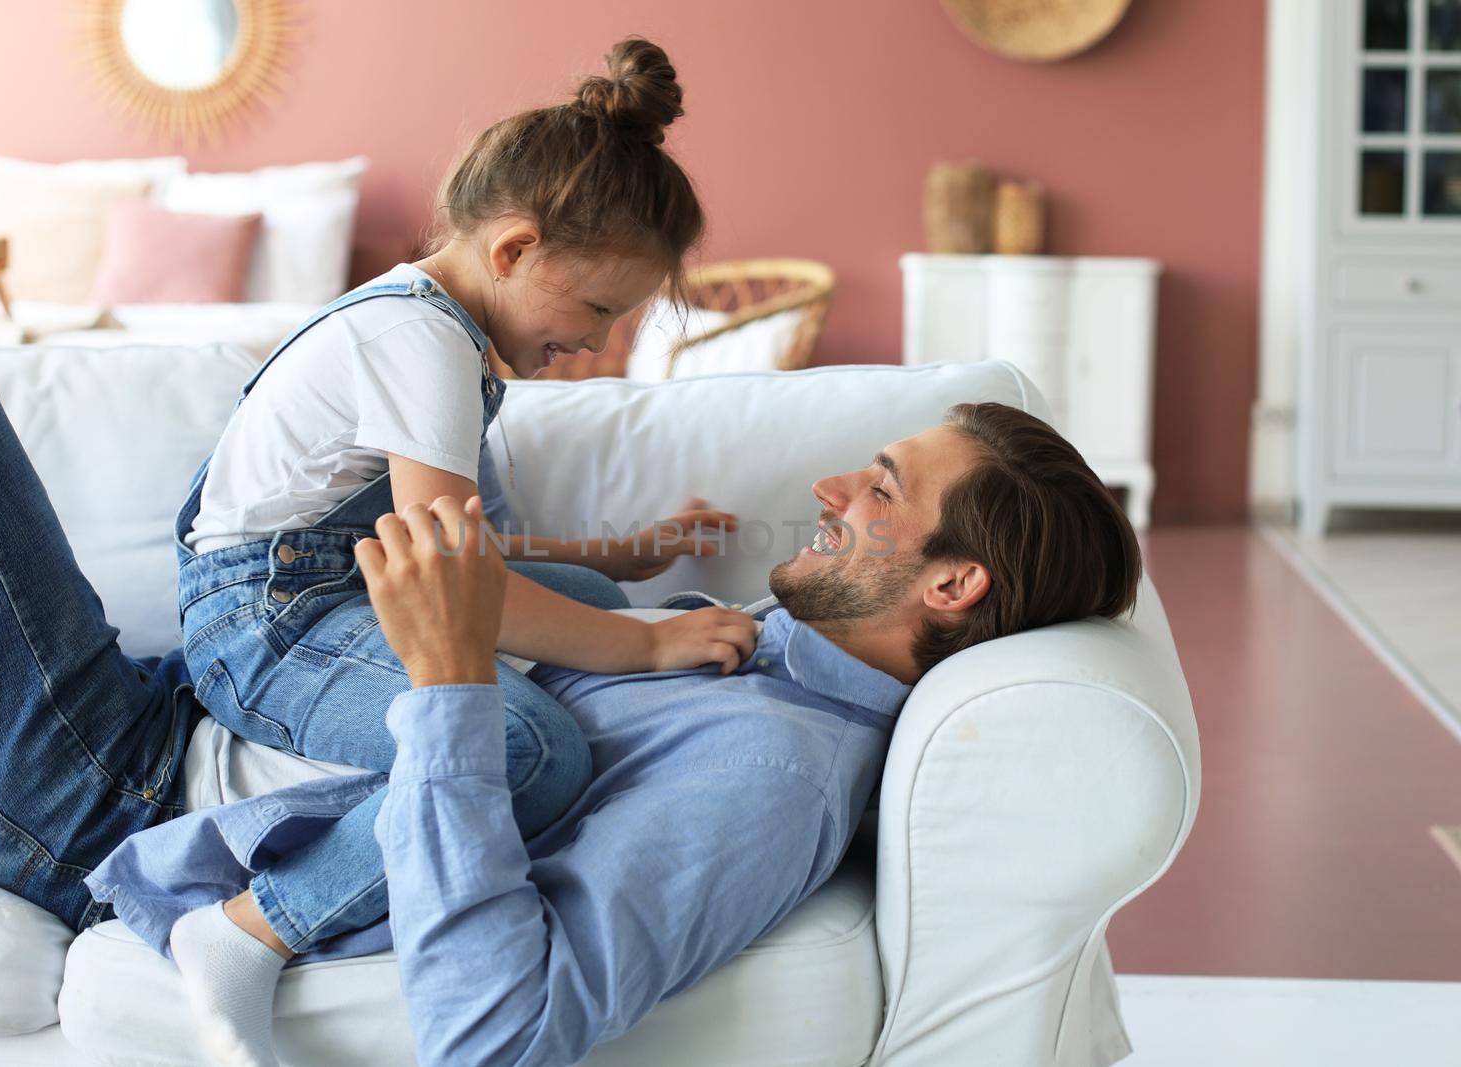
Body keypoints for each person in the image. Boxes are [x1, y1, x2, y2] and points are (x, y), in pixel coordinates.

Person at [88, 408, 1143, 1067]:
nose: (830, 490)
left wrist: (454, 675)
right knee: (438, 405)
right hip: (214, 689)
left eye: (880, 488)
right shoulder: (756, 650)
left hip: (125, 782)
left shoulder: (773, 774)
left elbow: (497, 1035)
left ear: (952, 584)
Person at [165, 32, 761, 1025]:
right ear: (516, 249)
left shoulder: (439, 330)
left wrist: (610, 563)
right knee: (533, 754)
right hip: (264, 626)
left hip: (345, 582)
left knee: (594, 601)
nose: (597, 345)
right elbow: (449, 581)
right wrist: (649, 641)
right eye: (598, 307)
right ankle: (247, 925)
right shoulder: (418, 339)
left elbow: (440, 547)